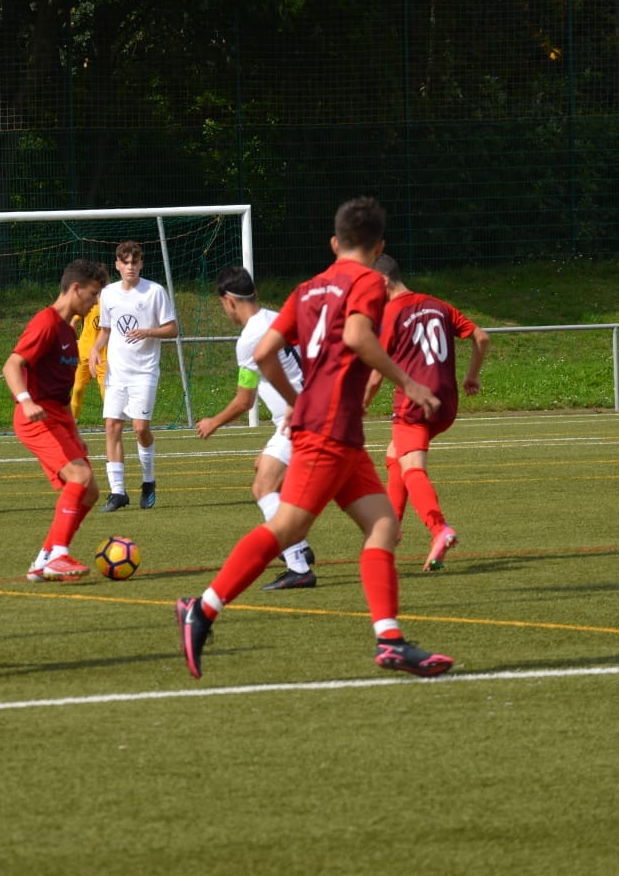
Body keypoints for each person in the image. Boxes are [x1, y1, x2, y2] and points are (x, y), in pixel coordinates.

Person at [176, 197, 455, 679]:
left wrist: (297, 400)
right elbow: (358, 337)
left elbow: (265, 353)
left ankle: (390, 641)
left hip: (338, 430)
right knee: (287, 528)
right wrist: (408, 383)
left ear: (334, 242)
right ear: (379, 246)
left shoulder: (306, 289)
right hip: (328, 431)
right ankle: (201, 609)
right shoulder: (369, 281)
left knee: (383, 524)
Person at [194, 266, 319, 590]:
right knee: (262, 465)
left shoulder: (249, 339)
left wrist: (213, 422)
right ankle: (299, 543)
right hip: (310, 412)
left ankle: (298, 563)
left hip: (299, 421)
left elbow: (244, 400)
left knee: (263, 487)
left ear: (228, 301)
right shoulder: (278, 318)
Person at [364, 254, 490, 572]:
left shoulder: (391, 313)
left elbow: (376, 375)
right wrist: (472, 376)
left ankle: (439, 529)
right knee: (395, 455)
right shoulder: (438, 305)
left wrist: (359, 406)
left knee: (412, 468)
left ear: (383, 282)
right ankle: (391, 528)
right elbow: (481, 336)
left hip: (414, 402)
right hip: (446, 404)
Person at [3, 259, 110, 581]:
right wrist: (25, 401)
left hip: (58, 417)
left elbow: (62, 394)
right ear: (75, 289)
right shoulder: (46, 322)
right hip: (36, 417)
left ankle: (44, 560)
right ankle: (59, 556)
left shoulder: (67, 329)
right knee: (79, 476)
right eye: (92, 294)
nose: (94, 302)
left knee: (90, 490)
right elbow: (12, 365)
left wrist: (74, 433)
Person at [88, 241, 177, 512]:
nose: (130, 267)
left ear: (141, 264)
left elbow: (172, 329)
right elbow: (105, 329)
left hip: (144, 371)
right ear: (117, 265)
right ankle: (117, 492)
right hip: (117, 372)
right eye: (125, 262)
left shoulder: (154, 292)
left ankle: (148, 481)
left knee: (140, 429)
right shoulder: (108, 294)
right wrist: (94, 349)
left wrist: (147, 332)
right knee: (112, 426)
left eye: (134, 262)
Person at [69, 301, 106, 423]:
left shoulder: (111, 302)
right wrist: (71, 341)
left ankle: (112, 422)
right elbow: (73, 322)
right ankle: (71, 423)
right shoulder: (89, 302)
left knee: (105, 389)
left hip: (103, 354)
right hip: (84, 351)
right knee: (78, 388)